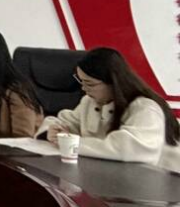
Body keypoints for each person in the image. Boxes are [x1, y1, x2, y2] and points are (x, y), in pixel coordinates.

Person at [37, 47, 180, 171]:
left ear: (114, 82)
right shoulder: (89, 102)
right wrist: (53, 132)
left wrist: (72, 143)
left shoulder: (145, 108)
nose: (83, 88)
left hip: (160, 181)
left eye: (90, 84)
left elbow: (129, 149)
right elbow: (66, 122)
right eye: (81, 81)